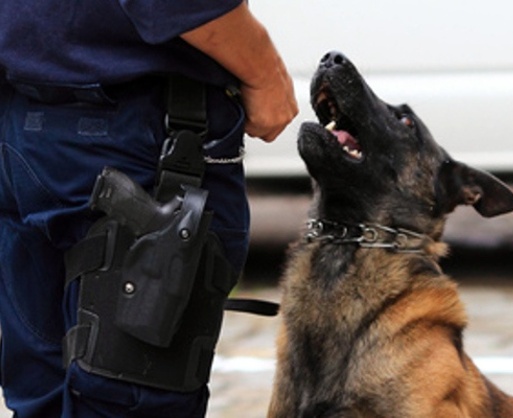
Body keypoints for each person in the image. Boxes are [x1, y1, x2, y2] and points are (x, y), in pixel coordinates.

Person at [0, 1, 298, 417]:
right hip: (142, 133)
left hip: (31, 126)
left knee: (42, 399)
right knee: (133, 402)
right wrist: (267, 75)